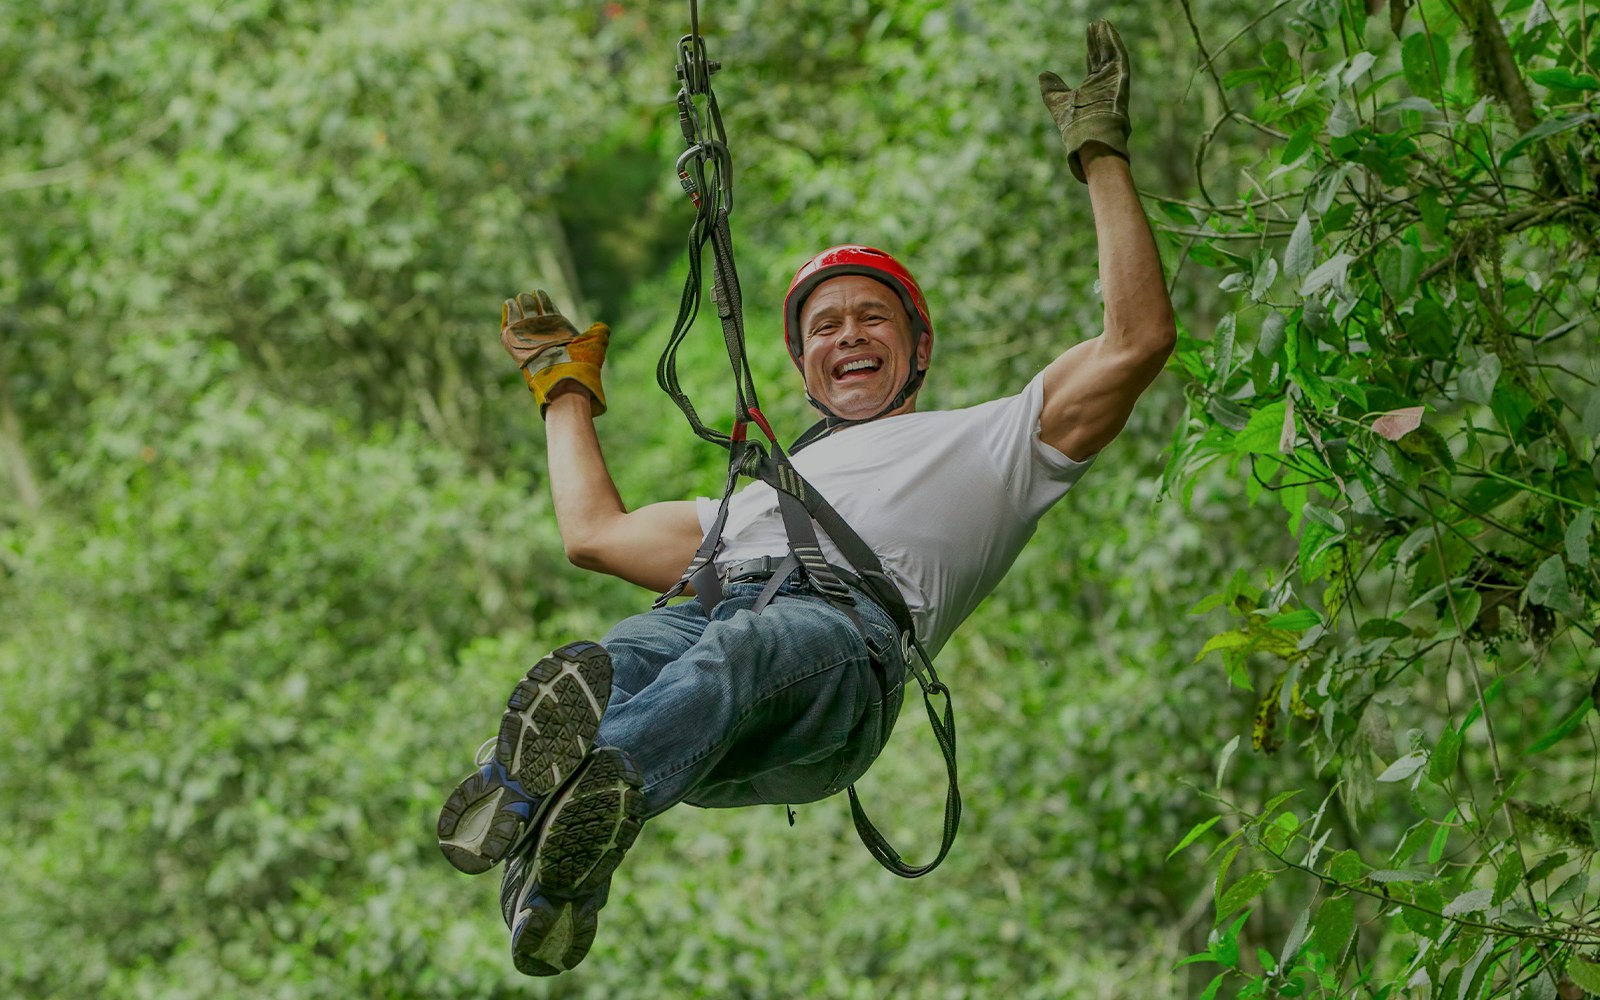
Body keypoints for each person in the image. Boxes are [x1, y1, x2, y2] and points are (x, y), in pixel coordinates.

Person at [435, 20, 1175, 976]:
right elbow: (594, 534)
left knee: (740, 648)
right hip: (715, 648)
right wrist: (563, 388)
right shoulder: (757, 502)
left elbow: (1138, 339)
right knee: (614, 656)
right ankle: (557, 863)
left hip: (841, 668)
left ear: (918, 346)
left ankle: (551, 811)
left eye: (874, 317)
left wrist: (1099, 152)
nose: (849, 335)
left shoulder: (993, 440)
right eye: (825, 326)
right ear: (803, 366)